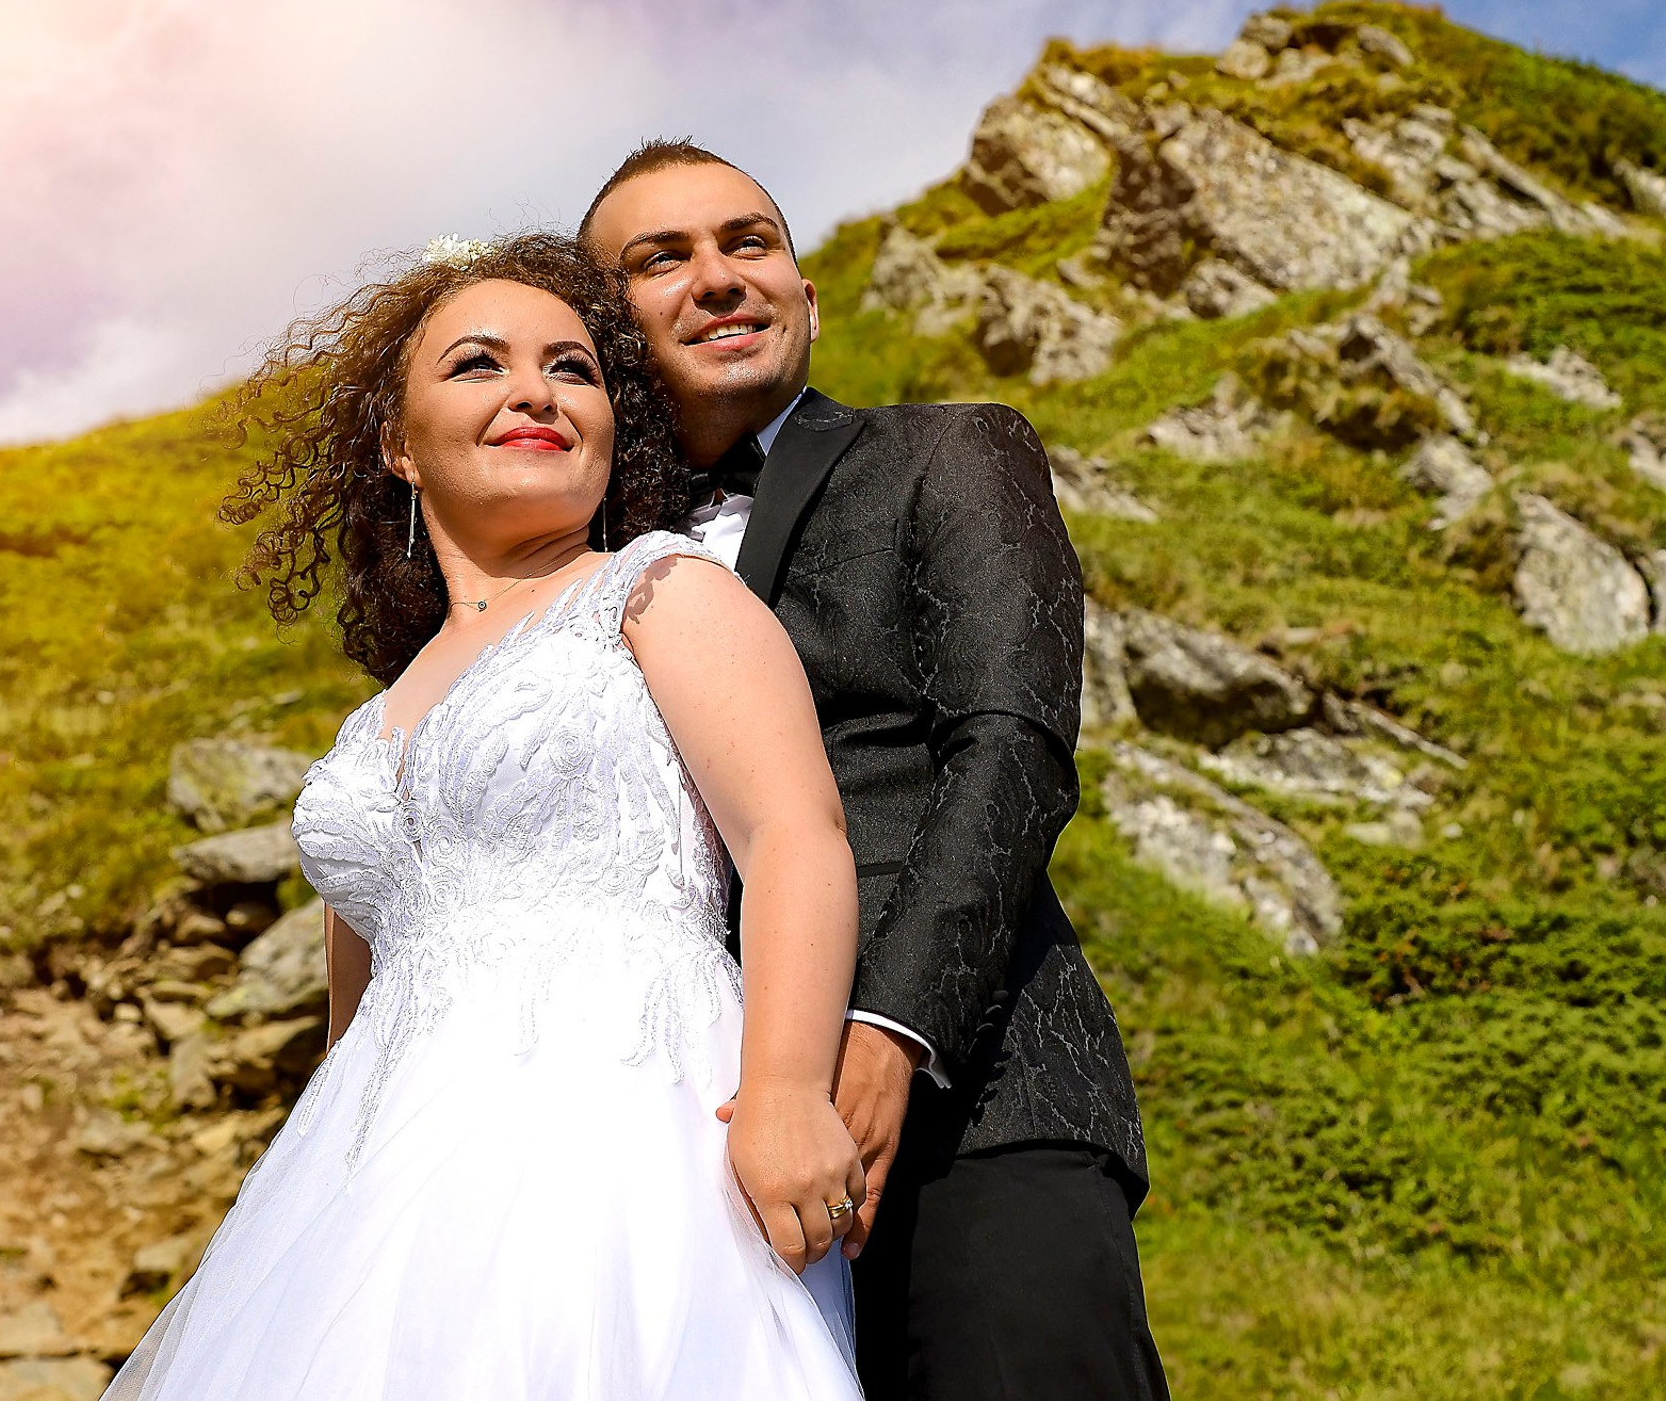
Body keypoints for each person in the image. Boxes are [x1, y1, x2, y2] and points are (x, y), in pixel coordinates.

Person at [107, 236, 868, 1399]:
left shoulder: (659, 591)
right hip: (377, 1181)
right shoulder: (376, 718)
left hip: (619, 1127)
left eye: (572, 369)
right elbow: (355, 1010)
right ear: (398, 446)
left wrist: (783, 1090)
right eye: (478, 365)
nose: (535, 393)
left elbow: (794, 837)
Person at [582, 142, 1169, 1401]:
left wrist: (889, 1032)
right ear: (603, 328)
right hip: (682, 1152)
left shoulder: (950, 451)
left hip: (980, 1099)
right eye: (662, 258)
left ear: (804, 291)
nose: (721, 277)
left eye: (749, 244)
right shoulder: (582, 565)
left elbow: (1011, 748)